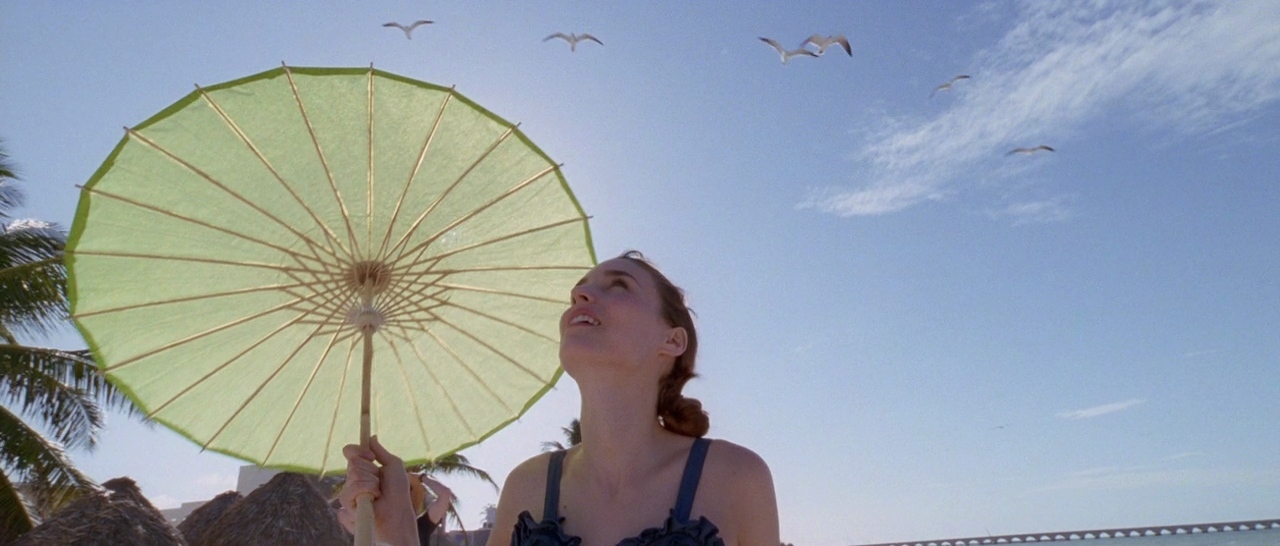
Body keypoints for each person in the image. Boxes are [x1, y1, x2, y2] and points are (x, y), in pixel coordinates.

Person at [341, 251, 780, 546]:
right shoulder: (527, 486)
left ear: (672, 340)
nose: (581, 294)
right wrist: (396, 528)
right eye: (581, 288)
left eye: (619, 286)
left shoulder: (734, 478)